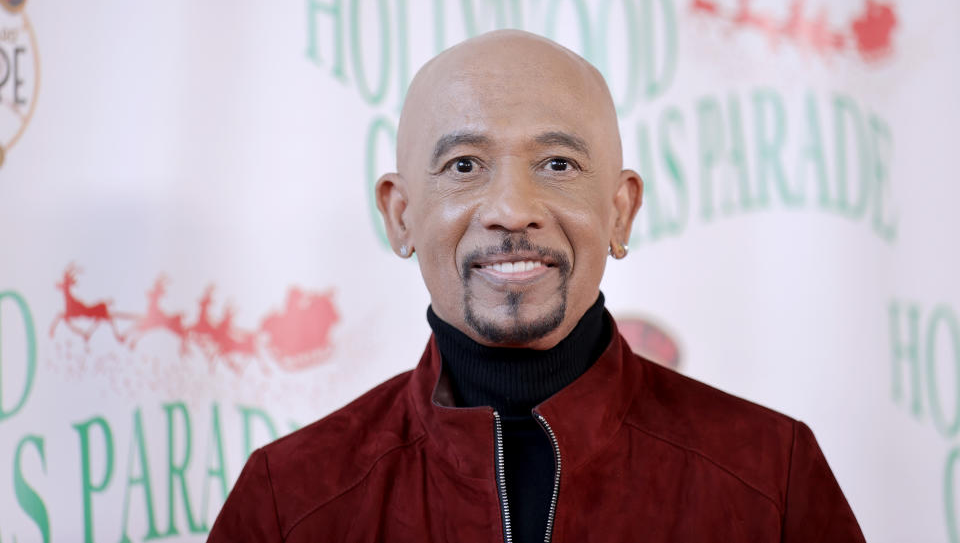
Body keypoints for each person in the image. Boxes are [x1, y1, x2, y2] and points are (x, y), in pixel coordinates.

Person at [208, 30, 865, 542]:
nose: (512, 208)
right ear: (400, 214)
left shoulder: (769, 477)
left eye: (558, 163)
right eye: (464, 165)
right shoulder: (290, 500)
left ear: (621, 209)